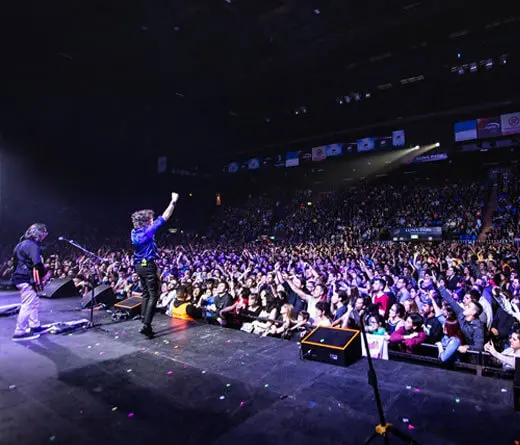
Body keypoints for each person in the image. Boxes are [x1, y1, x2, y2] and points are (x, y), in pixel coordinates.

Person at [131, 192, 179, 337]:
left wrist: (160, 250)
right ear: (147, 222)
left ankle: (143, 318)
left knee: (145, 293)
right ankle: (147, 325)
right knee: (154, 294)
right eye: (151, 219)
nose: (152, 221)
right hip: (148, 266)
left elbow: (145, 246)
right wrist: (173, 201)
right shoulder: (147, 231)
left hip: (138, 265)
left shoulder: (134, 232)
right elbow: (165, 217)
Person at [11, 223, 49, 341]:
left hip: (20, 277)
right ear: (38, 233)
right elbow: (37, 263)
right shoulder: (33, 245)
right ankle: (19, 331)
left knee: (33, 302)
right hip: (25, 278)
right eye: (43, 232)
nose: (45, 235)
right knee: (28, 304)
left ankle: (35, 326)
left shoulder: (19, 245)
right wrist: (44, 274)